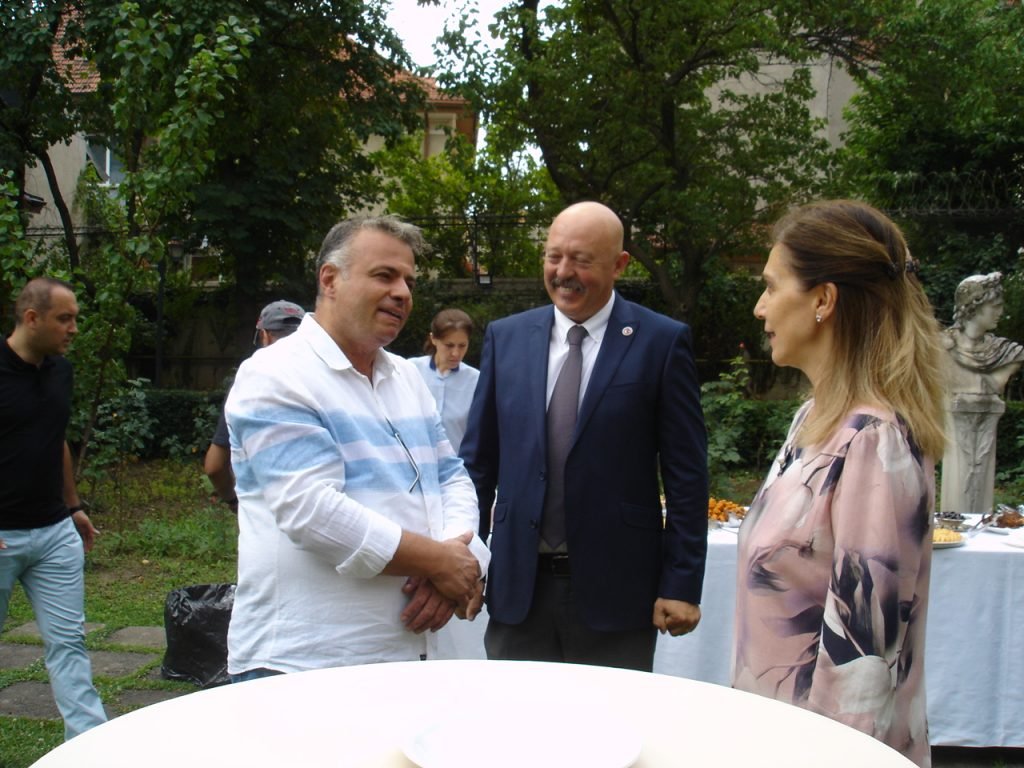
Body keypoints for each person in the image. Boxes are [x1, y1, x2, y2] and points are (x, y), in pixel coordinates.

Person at [224, 216, 489, 679]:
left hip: (416, 653)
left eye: (408, 281)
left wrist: (456, 560)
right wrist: (439, 562)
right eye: (385, 275)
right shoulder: (275, 373)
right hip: (306, 664)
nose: (402, 292)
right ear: (330, 279)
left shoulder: (406, 378)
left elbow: (450, 477)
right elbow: (313, 511)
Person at [735, 200, 945, 767]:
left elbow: (863, 667)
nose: (759, 307)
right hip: (776, 740)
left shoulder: (873, 442)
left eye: (771, 286)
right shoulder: (815, 419)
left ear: (823, 300)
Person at [460, 201, 708, 672]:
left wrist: (681, 582)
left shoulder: (660, 342)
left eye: (581, 260)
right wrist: (469, 562)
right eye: (554, 257)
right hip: (518, 590)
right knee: (514, 715)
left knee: (611, 717)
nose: (563, 272)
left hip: (618, 593)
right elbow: (478, 465)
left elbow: (687, 474)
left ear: (619, 265)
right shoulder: (506, 338)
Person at [0, 277, 107, 739]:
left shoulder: (60, 371)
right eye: (65, 319)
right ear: (32, 318)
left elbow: (54, 437)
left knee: (70, 646)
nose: (74, 328)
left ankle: (89, 750)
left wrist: (73, 506)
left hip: (54, 535)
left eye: (75, 318)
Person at [203, 300, 305, 511]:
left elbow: (215, 466)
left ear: (264, 335)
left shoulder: (250, 384)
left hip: (264, 517)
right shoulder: (331, 381)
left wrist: (233, 500)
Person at [940, 272, 1024, 514]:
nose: (1000, 312)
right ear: (973, 307)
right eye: (994, 306)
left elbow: (997, 382)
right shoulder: (939, 348)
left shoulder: (1008, 353)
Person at [409, 309, 479, 453]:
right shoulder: (410, 370)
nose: (456, 353)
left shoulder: (476, 380)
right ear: (433, 339)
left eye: (462, 346)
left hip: (458, 462)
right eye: (449, 345)